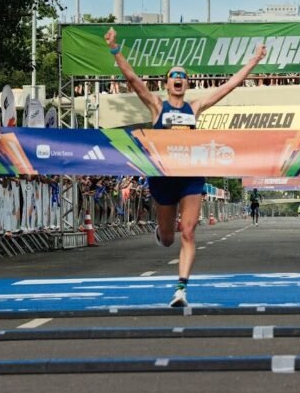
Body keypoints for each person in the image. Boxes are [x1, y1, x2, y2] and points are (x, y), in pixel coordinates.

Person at [105, 27, 266, 307]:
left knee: (189, 231)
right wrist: (115, 49)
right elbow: (132, 79)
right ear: (166, 84)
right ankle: (162, 232)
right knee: (169, 238)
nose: (178, 79)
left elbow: (229, 86)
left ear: (187, 84)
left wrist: (254, 61)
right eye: (173, 76)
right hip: (162, 178)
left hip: (190, 177)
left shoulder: (195, 107)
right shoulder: (157, 106)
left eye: (182, 76)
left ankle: (181, 289)